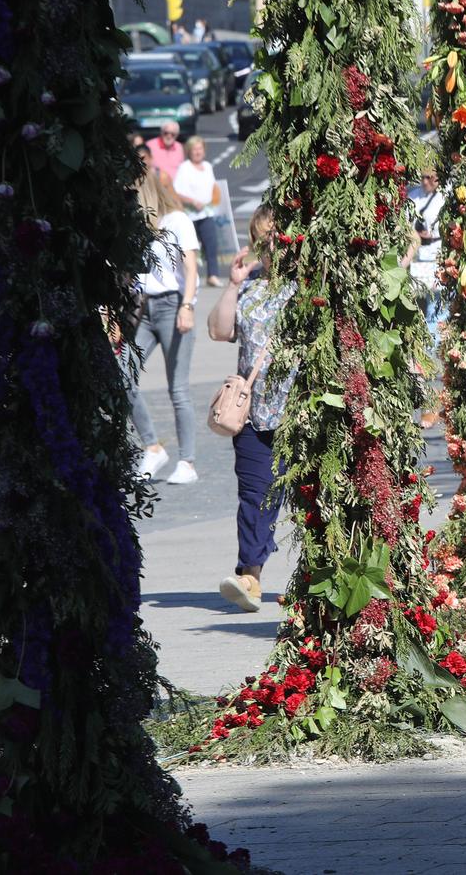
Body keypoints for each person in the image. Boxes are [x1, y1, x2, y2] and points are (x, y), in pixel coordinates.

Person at [208, 205, 296, 613]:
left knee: (313, 493)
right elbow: (219, 330)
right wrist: (231, 285)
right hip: (254, 411)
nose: (271, 244)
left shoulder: (307, 283)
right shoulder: (250, 284)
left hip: (302, 408)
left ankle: (318, 575)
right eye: (263, 237)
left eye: (276, 234)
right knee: (254, 495)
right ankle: (250, 577)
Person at [129, 172, 202, 484]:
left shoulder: (176, 221)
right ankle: (153, 446)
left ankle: (188, 461)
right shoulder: (136, 226)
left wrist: (187, 305)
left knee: (178, 389)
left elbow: (190, 266)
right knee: (122, 375)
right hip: (143, 307)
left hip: (173, 304)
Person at [172, 136, 224, 287]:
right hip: (189, 215)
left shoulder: (208, 166)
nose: (197, 152)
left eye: (200, 149)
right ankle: (189, 277)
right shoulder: (185, 168)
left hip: (207, 212)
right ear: (189, 151)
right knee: (189, 247)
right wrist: (192, 201)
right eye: (194, 149)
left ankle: (212, 275)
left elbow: (213, 186)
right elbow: (177, 192)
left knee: (211, 244)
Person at [410, 166, 447, 347]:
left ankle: (434, 354)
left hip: (435, 260)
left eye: (429, 178)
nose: (425, 181)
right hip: (415, 261)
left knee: (435, 311)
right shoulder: (413, 195)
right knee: (414, 310)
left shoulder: (445, 197)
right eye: (422, 177)